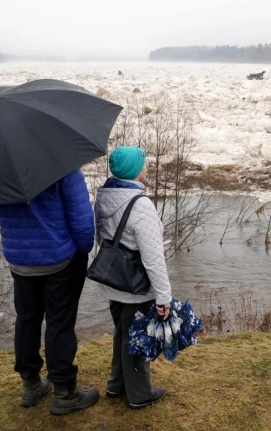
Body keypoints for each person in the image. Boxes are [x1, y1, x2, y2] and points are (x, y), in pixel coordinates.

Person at [0, 169, 100, 415]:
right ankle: (65, 392)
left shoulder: (0, 168)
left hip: (20, 261)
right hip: (60, 259)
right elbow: (82, 222)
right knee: (60, 323)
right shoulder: (64, 168)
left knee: (27, 320)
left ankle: (31, 384)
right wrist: (83, 250)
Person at [95, 146, 173, 410]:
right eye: (143, 164)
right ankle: (140, 394)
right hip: (135, 287)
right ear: (133, 170)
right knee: (138, 339)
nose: (146, 168)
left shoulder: (104, 197)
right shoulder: (141, 204)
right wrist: (163, 296)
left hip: (114, 281)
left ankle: (116, 385)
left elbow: (102, 239)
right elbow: (152, 258)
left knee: (122, 334)